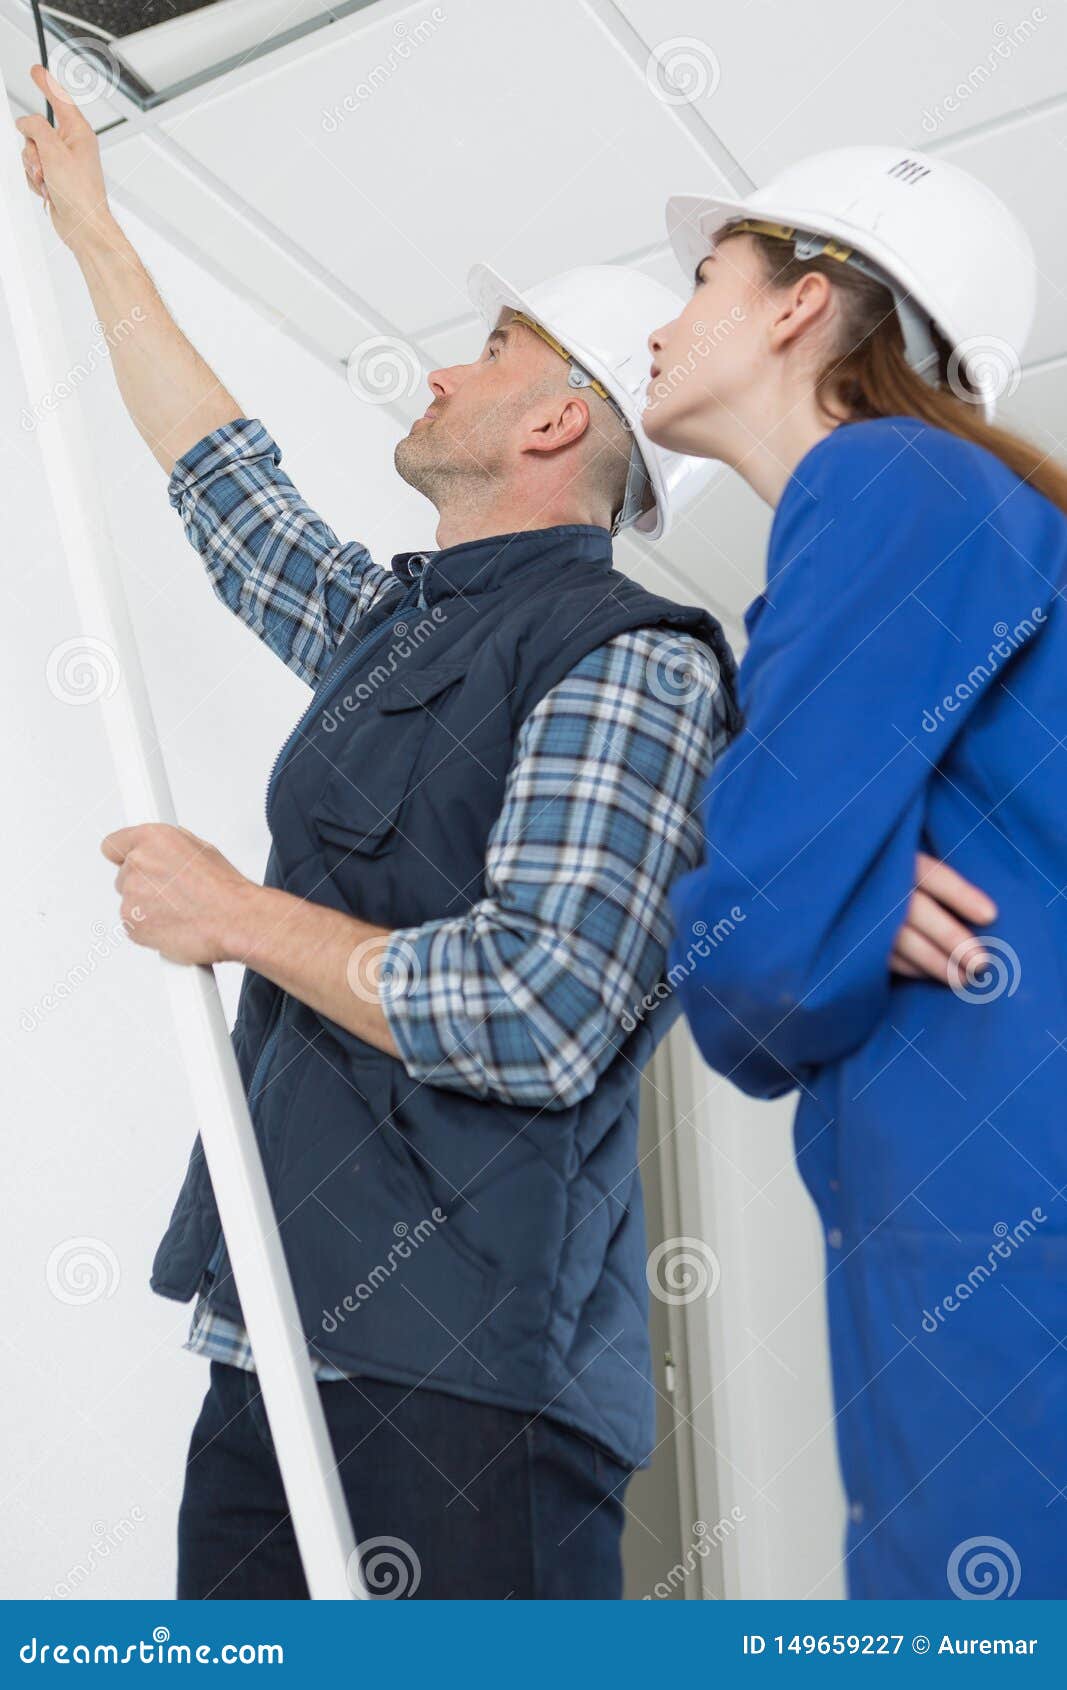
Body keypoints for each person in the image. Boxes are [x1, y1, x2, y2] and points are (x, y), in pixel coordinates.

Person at [16, 64, 742, 1599]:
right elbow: (228, 485)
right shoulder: (394, 634)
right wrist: (93, 229)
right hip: (272, 1344)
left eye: (492, 351)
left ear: (558, 416)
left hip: (467, 1393)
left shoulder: (632, 660)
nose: (440, 373)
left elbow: (541, 1006)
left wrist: (238, 915)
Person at [642, 144, 1067, 1599]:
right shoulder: (931, 510)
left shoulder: (886, 479)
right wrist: (843, 891)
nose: (660, 323)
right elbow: (785, 919)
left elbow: (753, 965)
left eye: (702, 278)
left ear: (798, 305)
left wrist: (821, 899)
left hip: (998, 1201)